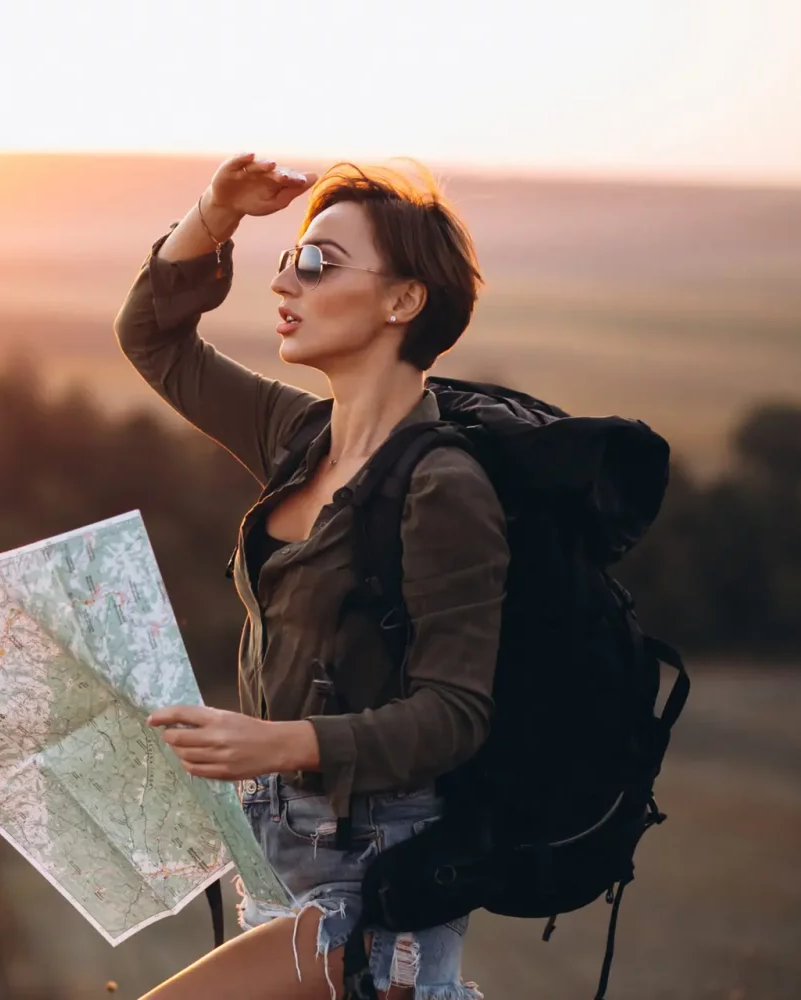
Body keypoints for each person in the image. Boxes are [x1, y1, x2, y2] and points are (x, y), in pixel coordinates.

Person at [115, 153, 508, 1000]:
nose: (285, 282)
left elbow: (457, 713)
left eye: (320, 263)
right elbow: (153, 338)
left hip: (375, 882)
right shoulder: (299, 435)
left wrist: (280, 743)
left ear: (404, 301)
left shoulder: (445, 487)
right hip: (278, 850)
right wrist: (217, 214)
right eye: (290, 259)